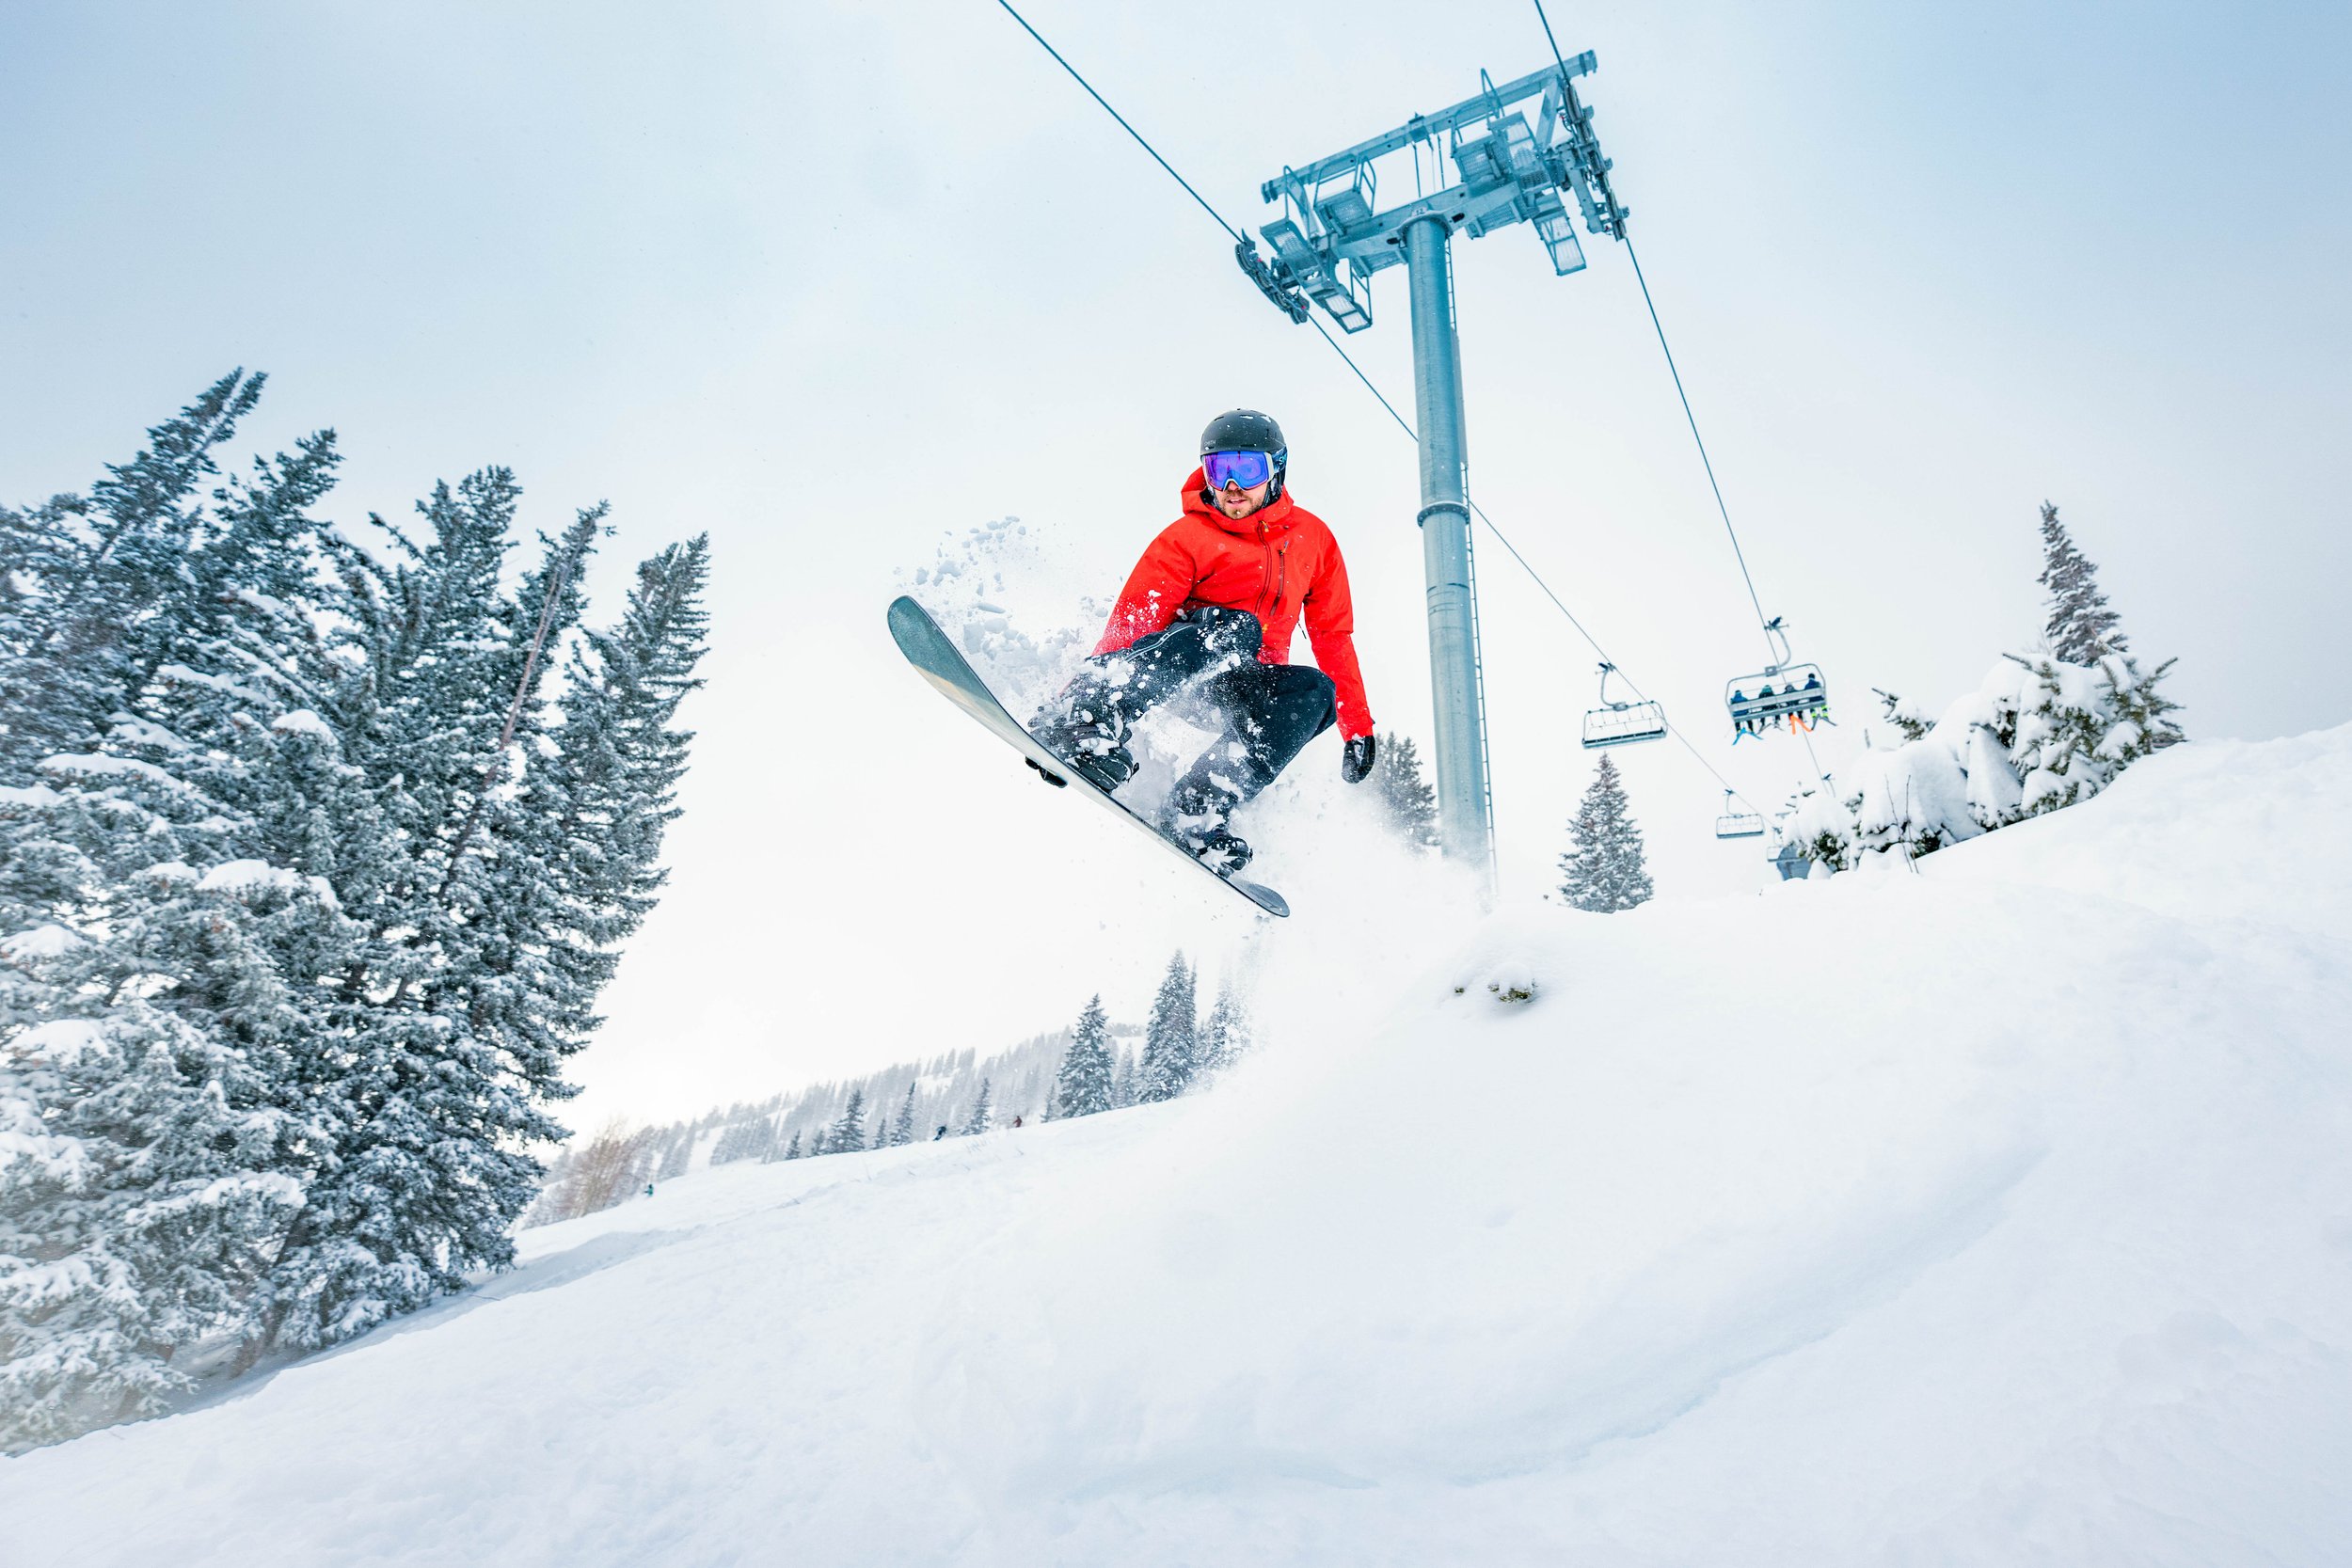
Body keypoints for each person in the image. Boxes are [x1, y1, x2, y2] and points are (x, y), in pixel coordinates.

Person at [1030, 409, 1377, 870]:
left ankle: (1197, 809)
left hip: (1235, 690)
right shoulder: (1187, 538)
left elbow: (1332, 634)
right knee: (1239, 629)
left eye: (1248, 470)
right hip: (1176, 666)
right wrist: (1072, 707)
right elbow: (1134, 621)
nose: (1232, 486)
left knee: (1316, 693)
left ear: (1277, 471)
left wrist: (1357, 725)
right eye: (1219, 470)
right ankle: (1088, 719)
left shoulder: (1313, 540)